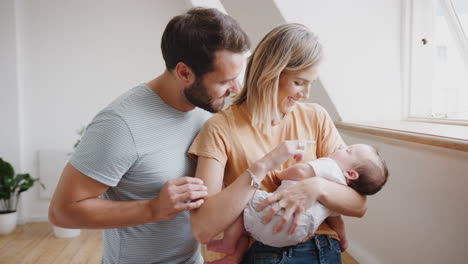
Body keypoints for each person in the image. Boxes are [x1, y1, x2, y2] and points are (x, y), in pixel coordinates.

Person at [48, 8, 250, 264]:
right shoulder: (119, 124)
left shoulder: (210, 111)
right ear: (185, 73)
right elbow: (62, 212)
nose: (235, 89)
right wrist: (153, 208)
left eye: (236, 78)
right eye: (225, 81)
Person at [188, 23, 369, 264]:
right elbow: (203, 228)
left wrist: (316, 187)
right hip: (268, 252)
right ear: (270, 73)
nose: (305, 94)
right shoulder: (220, 129)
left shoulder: (315, 116)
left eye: (310, 83)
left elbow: (358, 204)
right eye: (299, 82)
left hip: (325, 246)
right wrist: (262, 166)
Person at [205, 143, 389, 263]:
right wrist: (344, 242)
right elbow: (338, 222)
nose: (341, 146)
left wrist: (281, 175)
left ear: (351, 174)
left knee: (240, 198)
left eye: (347, 150)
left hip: (273, 217)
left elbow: (301, 171)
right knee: (249, 219)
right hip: (295, 233)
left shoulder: (331, 167)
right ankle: (235, 253)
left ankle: (231, 245)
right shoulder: (339, 193)